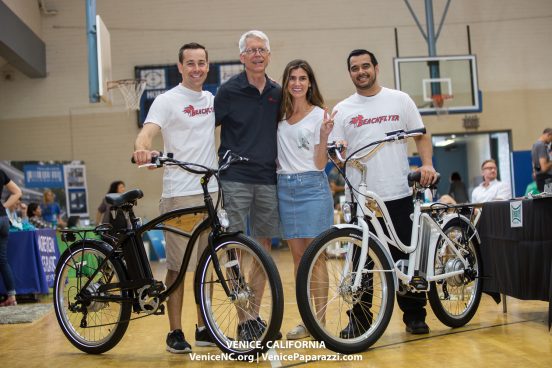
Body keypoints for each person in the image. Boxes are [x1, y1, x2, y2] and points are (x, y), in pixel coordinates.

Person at [331, 49, 437, 336]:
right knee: (361, 264)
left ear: (376, 68)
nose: (361, 71)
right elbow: (334, 153)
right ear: (350, 72)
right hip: (360, 199)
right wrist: (338, 153)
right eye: (355, 68)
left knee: (405, 257)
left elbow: (421, 134)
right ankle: (361, 320)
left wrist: (427, 164)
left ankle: (414, 315)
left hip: (398, 193)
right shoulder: (341, 110)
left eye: (366, 66)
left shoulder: (399, 100)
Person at [133, 42, 217, 354]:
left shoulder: (211, 100)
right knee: (179, 267)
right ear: (179, 67)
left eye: (201, 63)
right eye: (190, 63)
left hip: (211, 192)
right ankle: (175, 331)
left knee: (208, 264)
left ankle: (203, 326)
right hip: (179, 194)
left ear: (207, 66)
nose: (196, 68)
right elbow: (148, 131)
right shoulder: (167, 100)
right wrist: (142, 146)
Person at [214, 30, 282, 341]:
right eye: (251, 50)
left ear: (269, 55)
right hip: (235, 179)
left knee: (263, 249)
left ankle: (254, 315)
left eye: (262, 49)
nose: (257, 54)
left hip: (267, 178)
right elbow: (203, 130)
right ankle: (243, 320)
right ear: (242, 57)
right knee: (235, 249)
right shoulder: (227, 91)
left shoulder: (278, 92)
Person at [276, 59, 334, 340]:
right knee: (298, 260)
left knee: (317, 258)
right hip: (284, 188)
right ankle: (306, 319)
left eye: (302, 78)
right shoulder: (278, 115)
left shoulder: (319, 115)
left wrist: (323, 137)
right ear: (286, 83)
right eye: (292, 78)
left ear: (310, 82)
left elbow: (321, 164)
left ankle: (319, 323)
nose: (297, 83)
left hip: (312, 187)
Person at [0, 169, 22, 307]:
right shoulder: (1, 172)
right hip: (3, 219)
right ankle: (11, 297)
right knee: (2, 260)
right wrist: (3, 206)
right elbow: (18, 192)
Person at [531, 128, 552, 192]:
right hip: (546, 179)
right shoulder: (541, 145)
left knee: (545, 200)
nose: (551, 141)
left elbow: (534, 164)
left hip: (540, 178)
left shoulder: (535, 145)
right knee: (548, 200)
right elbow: (544, 168)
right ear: (548, 135)